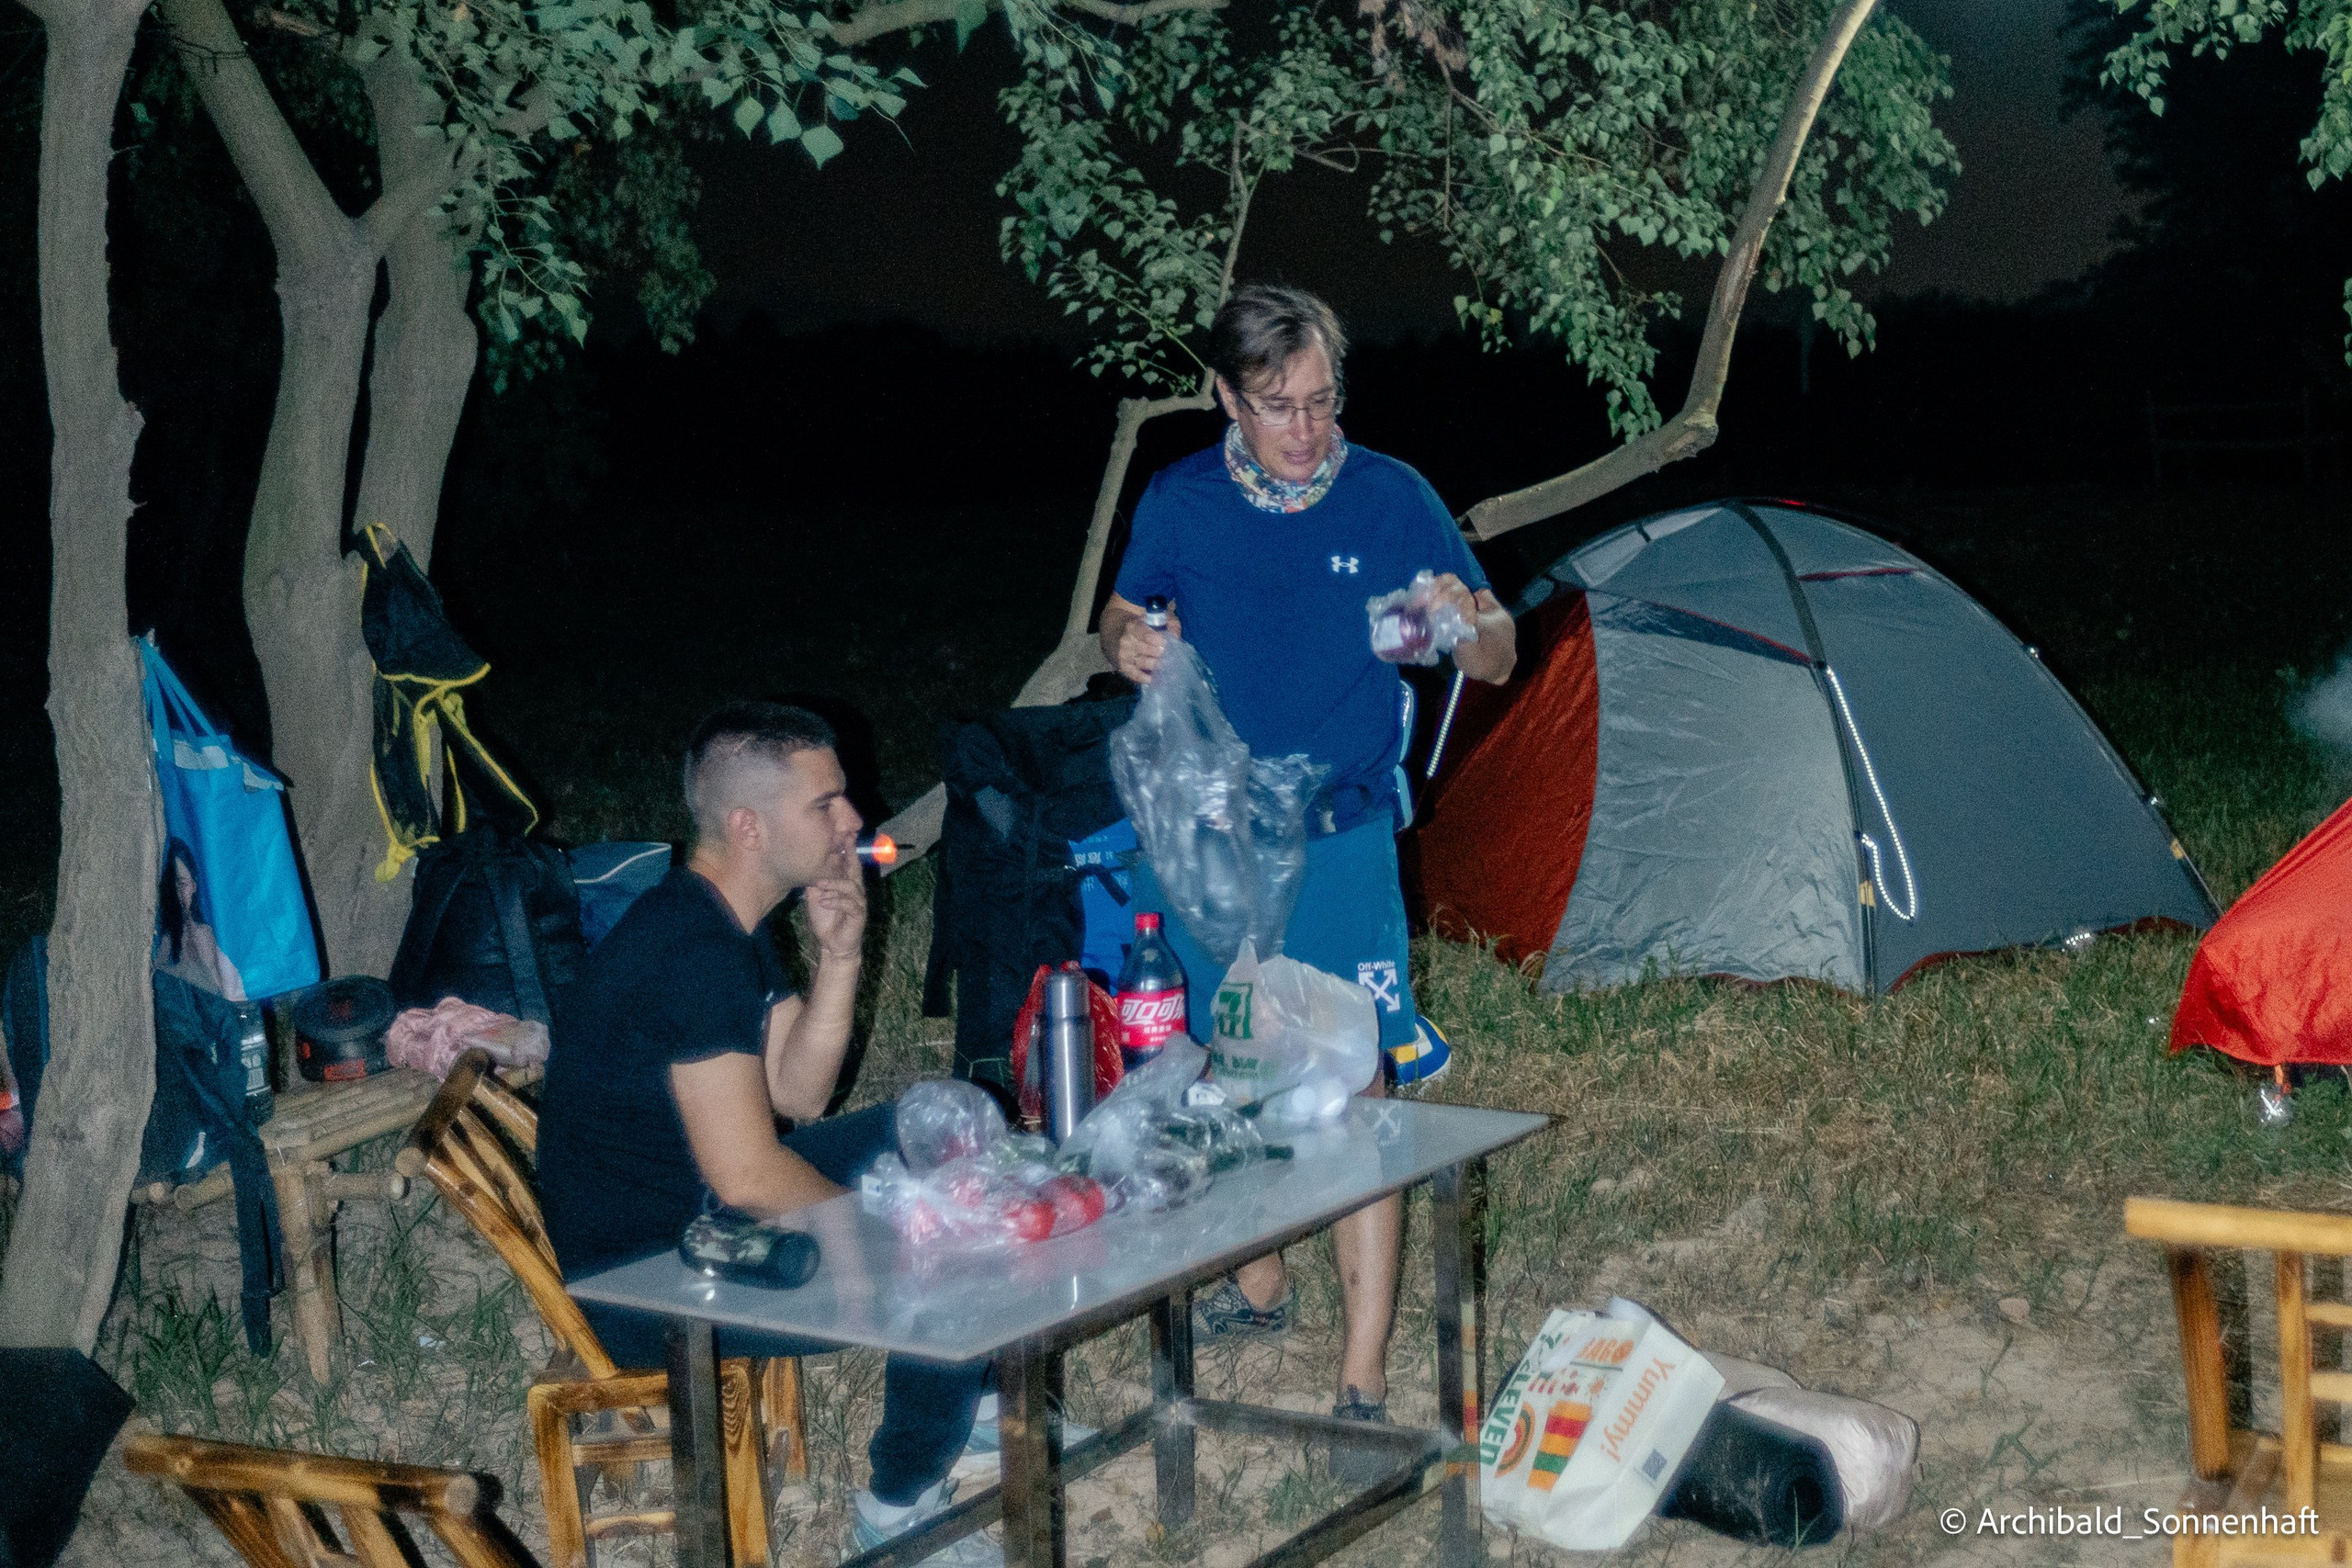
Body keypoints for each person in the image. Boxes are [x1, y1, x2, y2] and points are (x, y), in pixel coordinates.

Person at [1099, 284, 1516, 1464]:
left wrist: (1457, 623)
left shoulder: (1391, 497)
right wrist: (1123, 641)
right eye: (1277, 406)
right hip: (1216, 840)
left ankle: (1361, 1377)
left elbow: (1498, 651)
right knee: (1228, 1063)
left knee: (1360, 1092)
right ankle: (1265, 1282)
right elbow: (1120, 618)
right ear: (1226, 398)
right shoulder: (1180, 499)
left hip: (1336, 838)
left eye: (1322, 401)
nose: (1306, 429)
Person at [537, 702, 998, 1566]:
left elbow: (800, 1092)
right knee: (951, 1250)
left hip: (697, 1211)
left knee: (942, 1124)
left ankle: (963, 1405)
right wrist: (883, 1230)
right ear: (748, 825)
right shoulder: (690, 952)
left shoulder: (720, 919)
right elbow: (751, 1174)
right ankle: (899, 1503)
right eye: (825, 803)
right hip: (652, 1276)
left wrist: (842, 958)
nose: (854, 818)